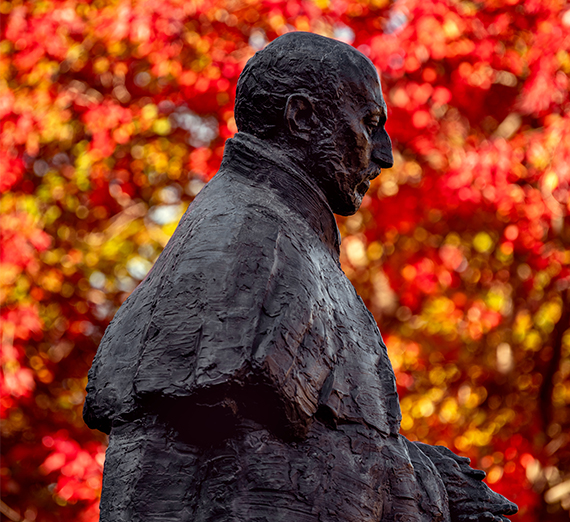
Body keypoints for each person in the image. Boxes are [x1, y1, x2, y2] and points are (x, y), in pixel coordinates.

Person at [84, 32, 518, 522]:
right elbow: (246, 475)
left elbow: (296, 441)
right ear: (303, 118)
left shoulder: (287, 235)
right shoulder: (246, 236)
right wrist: (428, 489)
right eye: (370, 124)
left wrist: (418, 468)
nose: (384, 154)